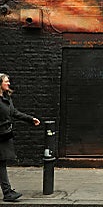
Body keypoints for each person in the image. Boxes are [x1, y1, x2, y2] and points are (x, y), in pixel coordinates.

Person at [0, 73, 40, 202]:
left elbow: (14, 113)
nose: (9, 83)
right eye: (6, 81)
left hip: (4, 135)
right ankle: (7, 192)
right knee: (1, 163)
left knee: (1, 163)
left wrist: (30, 119)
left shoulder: (6, 97)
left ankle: (7, 192)